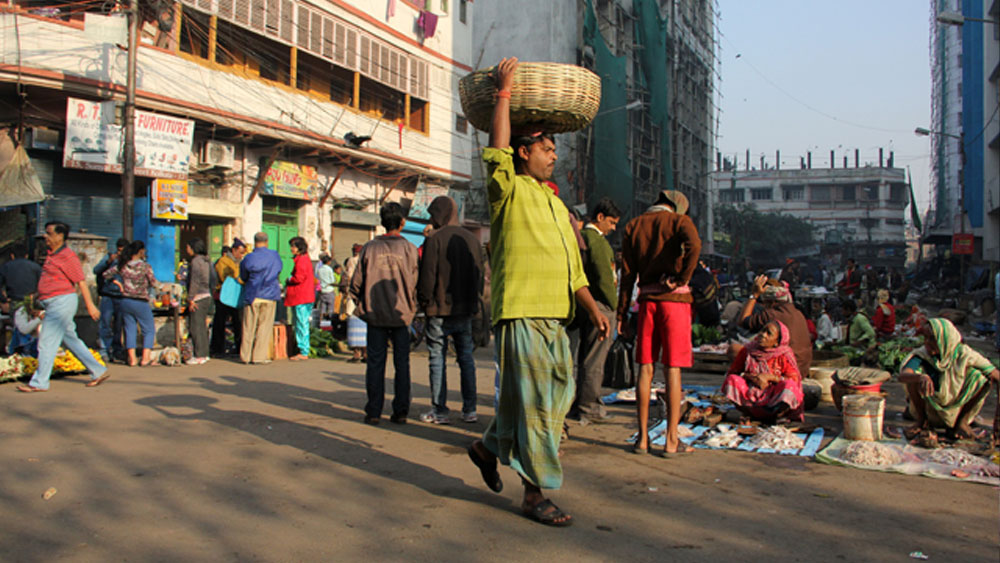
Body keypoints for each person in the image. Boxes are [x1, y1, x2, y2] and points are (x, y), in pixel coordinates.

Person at [466, 57, 609, 528]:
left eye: (554, 148)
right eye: (546, 148)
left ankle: (487, 449)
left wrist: (592, 309)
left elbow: (574, 269)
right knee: (538, 409)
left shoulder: (555, 202)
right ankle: (533, 493)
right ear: (523, 153)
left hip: (557, 315)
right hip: (522, 311)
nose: (553, 155)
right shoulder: (506, 189)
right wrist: (504, 93)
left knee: (543, 399)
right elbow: (497, 149)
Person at [618, 189, 701, 457]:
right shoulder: (679, 222)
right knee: (672, 370)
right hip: (675, 302)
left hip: (646, 302)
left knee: (645, 369)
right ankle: (671, 440)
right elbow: (695, 246)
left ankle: (642, 439)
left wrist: (621, 313)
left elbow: (627, 276)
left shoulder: (634, 225)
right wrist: (682, 278)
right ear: (676, 207)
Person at [416, 195, 484, 425]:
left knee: (437, 358)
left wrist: (424, 302)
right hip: (465, 309)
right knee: (466, 358)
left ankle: (440, 411)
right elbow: (479, 276)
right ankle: (470, 409)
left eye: (433, 215)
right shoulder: (472, 240)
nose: (431, 220)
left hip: (438, 310)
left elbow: (427, 276)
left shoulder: (435, 240)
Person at [349, 202, 419, 425]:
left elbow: (356, 284)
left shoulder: (370, 248)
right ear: (402, 222)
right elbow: (416, 282)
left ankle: (374, 411)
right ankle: (401, 411)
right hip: (401, 314)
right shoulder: (409, 248)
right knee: (402, 364)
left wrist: (364, 304)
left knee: (375, 363)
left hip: (375, 314)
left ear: (381, 222)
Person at [17, 222, 107, 392]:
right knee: (71, 340)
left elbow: (81, 281)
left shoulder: (68, 256)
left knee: (47, 341)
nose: (46, 236)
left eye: (49, 233)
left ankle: (39, 383)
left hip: (61, 303)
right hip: (53, 302)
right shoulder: (52, 255)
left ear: (60, 236)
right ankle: (97, 370)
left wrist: (90, 306)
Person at [567, 196, 621, 424]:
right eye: (611, 222)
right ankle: (589, 408)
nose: (613, 228)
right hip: (599, 305)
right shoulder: (595, 241)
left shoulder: (581, 238)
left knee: (583, 358)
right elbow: (604, 278)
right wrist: (614, 306)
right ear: (600, 218)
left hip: (583, 304)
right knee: (594, 361)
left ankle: (578, 405)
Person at [899, 318, 998, 442]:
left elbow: (995, 374)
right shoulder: (922, 355)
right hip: (930, 412)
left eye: (932, 339)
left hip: (954, 413)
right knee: (913, 379)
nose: (926, 343)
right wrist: (920, 377)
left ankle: (961, 423)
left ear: (945, 340)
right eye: (925, 338)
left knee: (980, 377)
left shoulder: (963, 354)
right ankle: (921, 421)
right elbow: (903, 375)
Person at [722, 320, 804, 423]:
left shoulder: (784, 354)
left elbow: (794, 379)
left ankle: (777, 415)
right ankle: (748, 413)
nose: (762, 335)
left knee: (790, 386)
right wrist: (753, 377)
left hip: (773, 395)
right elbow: (734, 372)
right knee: (732, 380)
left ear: (776, 342)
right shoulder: (748, 350)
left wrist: (770, 378)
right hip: (750, 393)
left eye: (768, 333)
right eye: (762, 331)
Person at [739, 277, 813, 375]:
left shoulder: (772, 314)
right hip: (803, 367)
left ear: (772, 302)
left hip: (788, 369)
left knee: (735, 350)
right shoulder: (798, 313)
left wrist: (754, 295)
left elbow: (743, 320)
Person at [108, 240, 160, 367]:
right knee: (148, 329)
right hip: (141, 301)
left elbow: (106, 274)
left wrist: (118, 283)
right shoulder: (145, 267)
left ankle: (132, 359)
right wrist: (165, 287)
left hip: (125, 301)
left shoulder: (123, 266)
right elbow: (154, 283)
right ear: (141, 251)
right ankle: (145, 358)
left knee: (129, 329)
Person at [239, 232, 282, 364]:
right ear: (267, 241)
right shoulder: (274, 255)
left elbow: (243, 276)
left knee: (248, 326)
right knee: (264, 327)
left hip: (252, 294)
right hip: (269, 295)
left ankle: (245, 356)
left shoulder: (248, 258)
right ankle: (258, 357)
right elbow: (278, 270)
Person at [93, 238, 127, 363]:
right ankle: (104, 350)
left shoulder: (129, 262)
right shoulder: (109, 258)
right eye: (118, 251)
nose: (120, 254)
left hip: (122, 297)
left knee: (119, 326)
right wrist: (109, 261)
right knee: (105, 324)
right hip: (107, 295)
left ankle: (117, 350)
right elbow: (96, 270)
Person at [211, 240, 245, 356]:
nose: (241, 255)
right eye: (240, 252)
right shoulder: (223, 261)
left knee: (238, 322)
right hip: (224, 295)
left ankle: (239, 347)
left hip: (236, 296)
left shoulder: (240, 263)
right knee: (220, 322)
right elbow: (225, 276)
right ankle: (217, 348)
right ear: (234, 250)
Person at [285, 236, 315, 361]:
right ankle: (302, 348)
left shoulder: (302, 260)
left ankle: (303, 350)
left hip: (301, 296)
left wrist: (289, 280)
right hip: (304, 296)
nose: (291, 249)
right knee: (301, 323)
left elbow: (299, 278)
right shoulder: (304, 259)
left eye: (293, 246)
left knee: (301, 323)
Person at [184, 238, 213, 365]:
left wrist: (191, 298)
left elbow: (194, 281)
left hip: (198, 297)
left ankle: (199, 355)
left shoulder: (196, 262)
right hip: (207, 295)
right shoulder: (207, 261)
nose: (187, 250)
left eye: (188, 247)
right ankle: (205, 354)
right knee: (202, 327)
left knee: (196, 327)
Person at [0, 243, 42, 311]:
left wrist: (3, 299)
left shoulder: (6, 267)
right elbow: (43, 285)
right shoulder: (36, 267)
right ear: (26, 255)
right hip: (32, 301)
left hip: (14, 302)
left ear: (12, 256)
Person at [344, 243, 367, 363]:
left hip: (354, 297)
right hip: (365, 298)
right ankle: (365, 353)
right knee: (365, 327)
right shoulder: (367, 261)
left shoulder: (352, 261)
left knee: (353, 326)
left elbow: (349, 277)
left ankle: (356, 354)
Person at [315, 253, 338, 322]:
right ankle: (330, 322)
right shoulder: (329, 269)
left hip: (322, 290)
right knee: (330, 308)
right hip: (329, 290)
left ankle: (321, 322)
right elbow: (332, 280)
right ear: (328, 262)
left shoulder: (319, 269)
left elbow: (318, 277)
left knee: (323, 308)